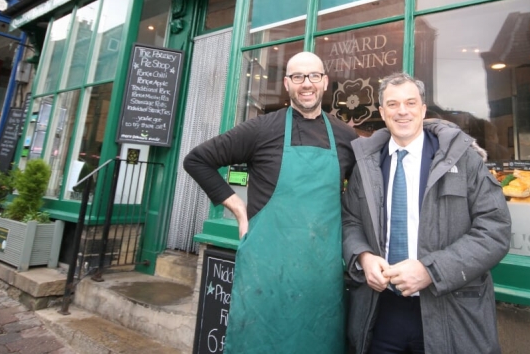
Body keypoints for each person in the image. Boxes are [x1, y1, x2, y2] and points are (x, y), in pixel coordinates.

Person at [184, 51, 357, 354]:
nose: (307, 84)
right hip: (266, 273)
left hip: (320, 278)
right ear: (287, 84)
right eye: (298, 77)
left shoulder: (345, 136)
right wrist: (238, 210)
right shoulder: (262, 129)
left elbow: (359, 198)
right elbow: (197, 160)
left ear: (325, 82)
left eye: (314, 76)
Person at [342, 72, 511, 354]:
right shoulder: (366, 164)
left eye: (410, 103)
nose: (402, 111)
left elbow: (495, 230)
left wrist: (431, 271)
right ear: (383, 113)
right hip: (380, 311)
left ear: (422, 109)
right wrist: (363, 255)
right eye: (393, 105)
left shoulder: (464, 159)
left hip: (450, 310)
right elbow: (351, 220)